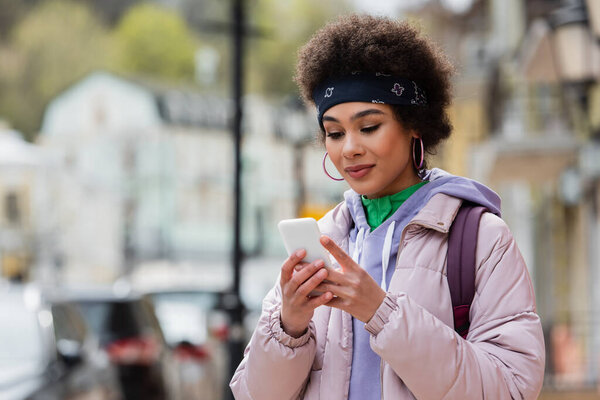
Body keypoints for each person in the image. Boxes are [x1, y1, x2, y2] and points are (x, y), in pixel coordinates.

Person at [230, 14, 545, 400]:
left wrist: (382, 313)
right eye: (334, 132)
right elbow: (252, 394)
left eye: (368, 127)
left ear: (414, 124)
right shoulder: (324, 240)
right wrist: (289, 327)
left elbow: (511, 389)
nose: (349, 149)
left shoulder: (480, 237)